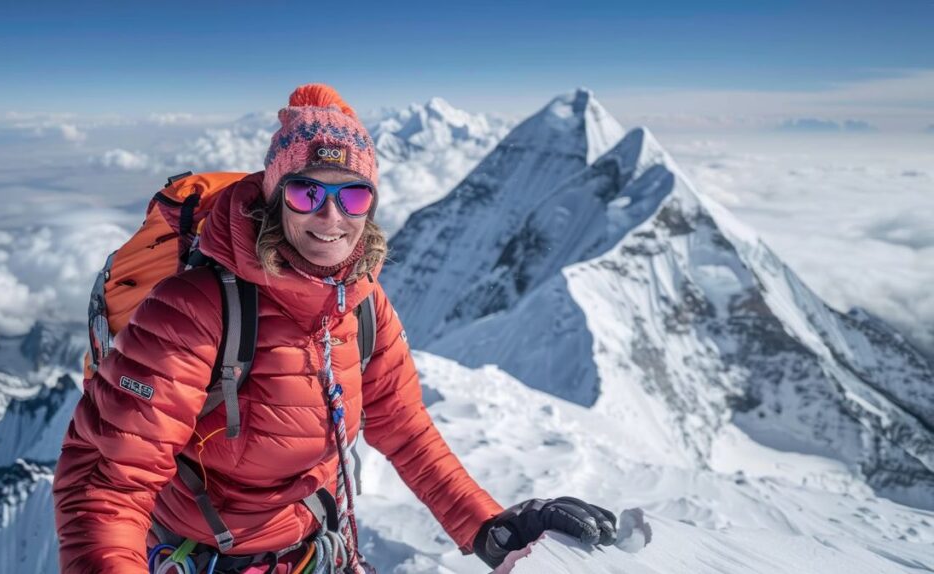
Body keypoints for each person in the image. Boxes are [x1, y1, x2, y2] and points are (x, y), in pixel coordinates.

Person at [53, 84, 617, 574]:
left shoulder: (363, 305)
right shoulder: (193, 310)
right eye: (307, 192)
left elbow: (404, 428)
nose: (331, 216)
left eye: (352, 194)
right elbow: (107, 488)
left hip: (315, 551)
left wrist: (488, 526)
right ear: (275, 199)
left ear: (370, 206)